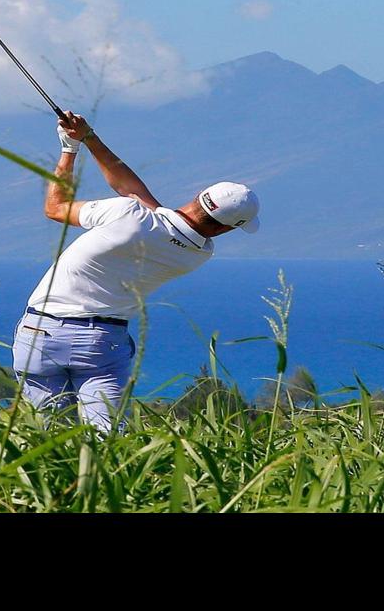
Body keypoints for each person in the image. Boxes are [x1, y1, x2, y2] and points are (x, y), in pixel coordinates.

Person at [13, 110, 261, 434]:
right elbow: (138, 196)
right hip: (101, 343)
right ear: (225, 230)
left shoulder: (127, 214)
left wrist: (70, 149)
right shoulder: (198, 253)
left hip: (40, 332)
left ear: (198, 196)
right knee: (106, 437)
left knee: (43, 435)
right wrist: (88, 138)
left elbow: (56, 207)